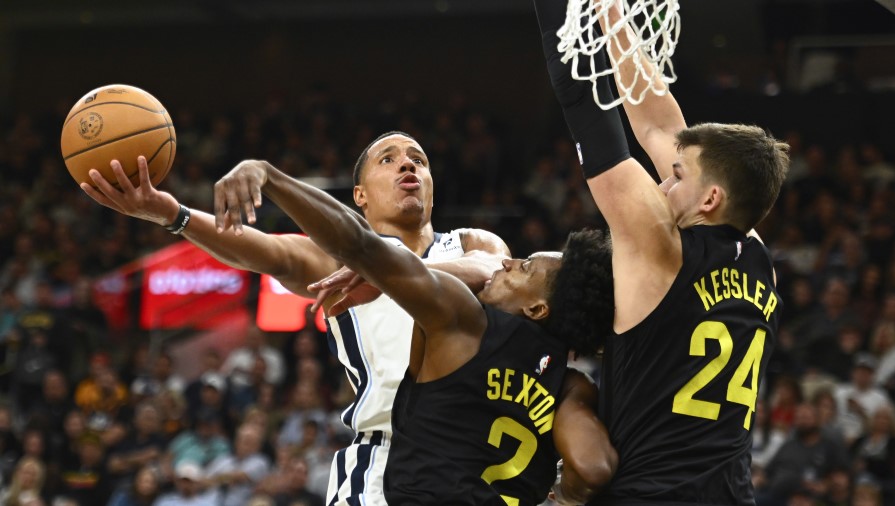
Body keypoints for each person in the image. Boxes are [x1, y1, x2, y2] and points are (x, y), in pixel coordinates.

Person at [80, 131, 510, 505]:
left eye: (418, 159)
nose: (407, 164)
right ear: (360, 196)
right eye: (388, 158)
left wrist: (390, 275)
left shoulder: (471, 241)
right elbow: (264, 249)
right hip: (387, 466)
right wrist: (173, 215)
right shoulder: (331, 260)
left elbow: (496, 273)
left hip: (484, 459)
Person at [210, 159, 617, 505]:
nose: (509, 264)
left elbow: (357, 242)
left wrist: (270, 175)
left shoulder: (463, 319)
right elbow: (593, 466)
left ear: (537, 307)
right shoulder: (572, 387)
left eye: (524, 267)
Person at [534, 0, 789, 504]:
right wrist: (608, 15)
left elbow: (583, 107)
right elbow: (655, 123)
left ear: (710, 199)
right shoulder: (760, 260)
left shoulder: (658, 248)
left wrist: (555, 11)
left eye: (675, 177)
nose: (662, 182)